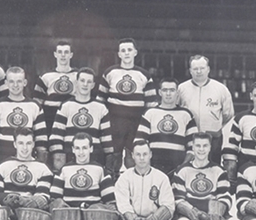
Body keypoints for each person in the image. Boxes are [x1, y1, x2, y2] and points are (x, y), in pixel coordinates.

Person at [99, 38, 157, 171]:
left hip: (136, 122)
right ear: (119, 54)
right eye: (123, 50)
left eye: (129, 50)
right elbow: (100, 101)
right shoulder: (109, 73)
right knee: (113, 159)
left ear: (135, 52)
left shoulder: (144, 75)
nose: (126, 53)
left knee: (133, 158)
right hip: (114, 123)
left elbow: (152, 105)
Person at [49, 68, 115, 172]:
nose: (85, 84)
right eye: (82, 81)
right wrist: (59, 161)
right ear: (76, 82)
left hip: (94, 156)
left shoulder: (101, 107)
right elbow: (56, 135)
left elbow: (106, 138)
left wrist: (108, 161)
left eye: (89, 82)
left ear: (93, 85)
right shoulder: (66, 106)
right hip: (70, 156)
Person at [0, 66, 48, 167]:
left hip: (28, 158)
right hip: (2, 158)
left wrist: (41, 166)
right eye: (11, 81)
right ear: (6, 83)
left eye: (19, 81)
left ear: (25, 83)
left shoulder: (35, 106)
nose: (15, 85)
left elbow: (41, 139)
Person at [178, 55, 235, 163]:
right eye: (195, 69)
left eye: (202, 68)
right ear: (190, 71)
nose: (199, 71)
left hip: (213, 138)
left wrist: (214, 127)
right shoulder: (182, 89)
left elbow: (228, 114)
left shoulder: (220, 89)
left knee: (212, 169)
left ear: (208, 69)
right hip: (189, 137)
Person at [135, 77, 198, 175]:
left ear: (177, 92)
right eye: (165, 90)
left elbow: (193, 146)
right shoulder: (150, 113)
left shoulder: (186, 114)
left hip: (177, 166)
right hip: (153, 166)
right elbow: (140, 142)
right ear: (160, 92)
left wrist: (182, 167)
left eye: (172, 90)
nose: (168, 94)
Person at [0, 127, 53, 212]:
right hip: (5, 215)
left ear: (33, 144)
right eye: (21, 143)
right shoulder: (2, 166)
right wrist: (6, 198)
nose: (25, 148)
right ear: (15, 144)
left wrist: (31, 202)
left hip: (30, 216)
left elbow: (44, 197)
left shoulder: (43, 168)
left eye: (28, 143)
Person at [48, 132, 115, 209]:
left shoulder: (100, 169)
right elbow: (54, 198)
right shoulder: (64, 169)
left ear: (91, 149)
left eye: (84, 148)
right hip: (68, 214)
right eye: (77, 148)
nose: (81, 152)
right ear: (73, 149)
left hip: (92, 214)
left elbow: (110, 200)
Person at [32, 40, 77, 129]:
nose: (63, 55)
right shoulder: (45, 76)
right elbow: (37, 102)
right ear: (55, 54)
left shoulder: (78, 75)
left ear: (71, 55)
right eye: (60, 52)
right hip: (50, 117)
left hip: (71, 115)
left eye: (66, 52)